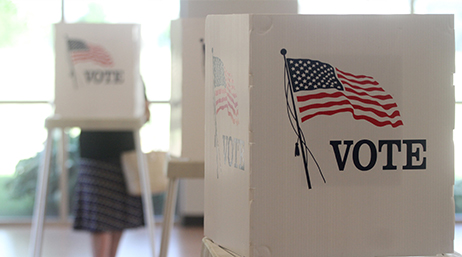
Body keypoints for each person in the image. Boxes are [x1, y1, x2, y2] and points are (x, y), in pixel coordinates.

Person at [73, 82, 150, 257]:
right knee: (107, 220)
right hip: (106, 153)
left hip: (108, 153)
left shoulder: (91, 73)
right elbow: (146, 113)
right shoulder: (128, 72)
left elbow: (145, 113)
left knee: (111, 220)